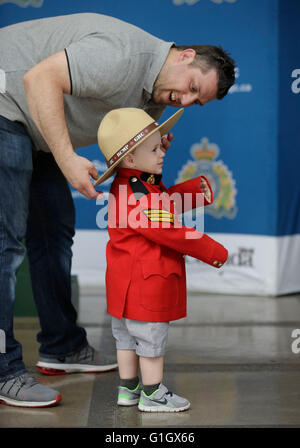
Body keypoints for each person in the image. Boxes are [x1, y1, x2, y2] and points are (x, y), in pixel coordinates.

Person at [0, 12, 235, 407]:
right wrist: (67, 156)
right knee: (5, 245)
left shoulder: (155, 101)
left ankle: (61, 346)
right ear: (185, 56)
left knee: (53, 234)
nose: (187, 100)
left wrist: (155, 151)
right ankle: (4, 369)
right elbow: (37, 79)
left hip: (34, 125)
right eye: (192, 86)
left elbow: (139, 181)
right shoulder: (123, 55)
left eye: (197, 101)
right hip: (7, 102)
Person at [95, 106, 228, 412]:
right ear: (129, 159)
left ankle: (128, 390)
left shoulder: (128, 184)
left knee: (125, 339)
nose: (162, 153)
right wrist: (212, 250)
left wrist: (193, 191)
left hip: (123, 286)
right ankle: (153, 394)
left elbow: (160, 202)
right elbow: (169, 229)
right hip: (146, 285)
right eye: (155, 149)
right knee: (151, 341)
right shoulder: (141, 194)